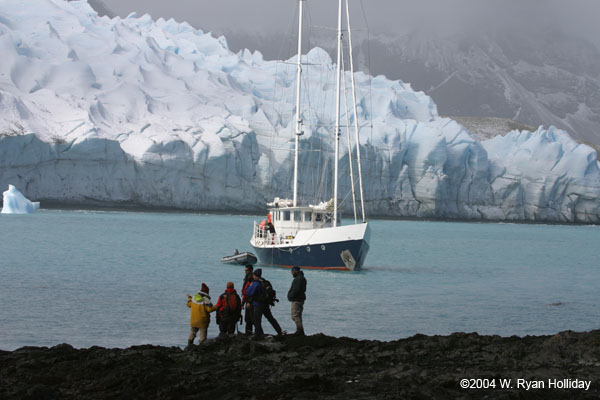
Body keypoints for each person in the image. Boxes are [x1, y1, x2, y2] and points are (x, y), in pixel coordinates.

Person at [245, 268, 284, 340]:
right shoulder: (266, 282)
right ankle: (279, 331)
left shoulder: (255, 283)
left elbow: (248, 292)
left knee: (257, 320)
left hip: (257, 304)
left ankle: (258, 335)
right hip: (266, 304)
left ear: (255, 275)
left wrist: (250, 285)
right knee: (270, 318)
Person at [186, 283, 215, 348]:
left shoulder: (193, 298)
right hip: (203, 321)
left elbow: (188, 304)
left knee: (192, 333)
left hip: (193, 320)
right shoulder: (206, 300)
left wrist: (189, 298)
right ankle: (201, 347)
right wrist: (217, 306)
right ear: (207, 292)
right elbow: (209, 309)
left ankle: (189, 346)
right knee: (203, 335)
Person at [287, 266, 307, 336]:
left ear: (295, 271)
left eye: (292, 272)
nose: (292, 274)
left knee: (295, 316)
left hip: (297, 299)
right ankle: (300, 330)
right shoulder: (301, 278)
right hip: (299, 299)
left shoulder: (298, 279)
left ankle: (300, 331)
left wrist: (290, 296)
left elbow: (296, 290)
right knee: (297, 315)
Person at [241, 264, 255, 335]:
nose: (245, 272)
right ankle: (249, 332)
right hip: (248, 300)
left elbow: (250, 292)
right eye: (245, 270)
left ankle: (249, 333)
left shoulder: (251, 278)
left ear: (250, 270)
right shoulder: (248, 277)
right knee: (249, 318)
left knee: (249, 318)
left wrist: (248, 301)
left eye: (246, 270)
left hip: (250, 301)